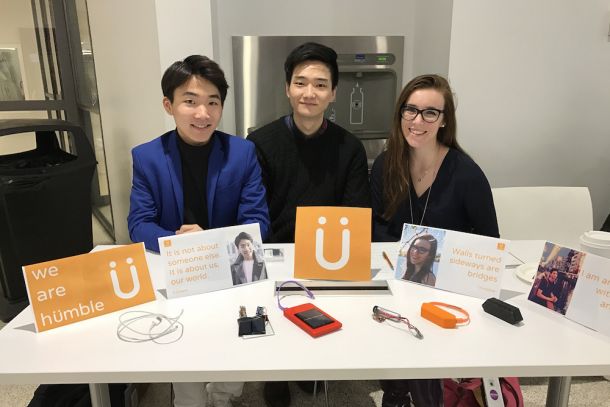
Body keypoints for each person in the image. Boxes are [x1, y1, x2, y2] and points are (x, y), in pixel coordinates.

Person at [127, 55, 270, 407]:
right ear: (169, 105)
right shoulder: (147, 156)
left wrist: (209, 242)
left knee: (237, 340)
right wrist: (180, 242)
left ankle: (223, 396)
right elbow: (139, 224)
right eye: (190, 101)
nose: (202, 114)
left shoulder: (242, 152)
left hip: (231, 265)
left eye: (212, 102)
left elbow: (258, 223)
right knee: (184, 348)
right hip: (178, 268)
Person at [248, 42, 370, 406]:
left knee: (322, 308)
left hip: (326, 253)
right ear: (287, 88)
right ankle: (276, 373)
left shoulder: (349, 147)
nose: (309, 93)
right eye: (300, 83)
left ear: (334, 93)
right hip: (277, 249)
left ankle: (309, 362)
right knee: (272, 307)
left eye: (320, 84)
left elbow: (356, 212)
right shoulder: (261, 142)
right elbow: (255, 210)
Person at [371, 74, 499, 406]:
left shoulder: (466, 173)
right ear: (400, 114)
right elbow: (375, 226)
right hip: (395, 278)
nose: (417, 121)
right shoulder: (385, 165)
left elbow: (489, 241)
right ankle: (396, 394)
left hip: (445, 288)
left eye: (430, 112)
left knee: (422, 360)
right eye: (410, 110)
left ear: (444, 120)